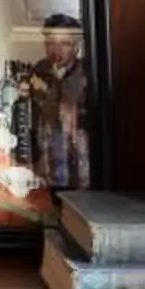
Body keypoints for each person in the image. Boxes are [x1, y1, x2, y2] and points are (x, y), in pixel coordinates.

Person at [24, 13, 91, 189]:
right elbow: (33, 115)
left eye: (65, 43)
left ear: (76, 47)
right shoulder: (40, 69)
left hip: (78, 163)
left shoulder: (87, 72)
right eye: (51, 42)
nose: (56, 50)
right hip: (45, 160)